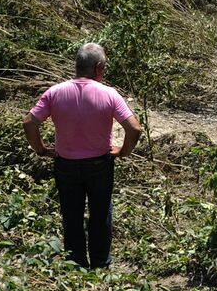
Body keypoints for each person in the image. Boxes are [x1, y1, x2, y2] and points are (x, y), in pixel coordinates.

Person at [23, 42, 142, 269]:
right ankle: (100, 263)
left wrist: (40, 149)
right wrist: (123, 152)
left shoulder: (55, 92)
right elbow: (134, 129)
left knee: (71, 214)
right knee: (100, 212)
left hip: (65, 164)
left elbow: (29, 123)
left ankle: (76, 263)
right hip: (99, 164)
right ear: (98, 67)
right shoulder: (109, 94)